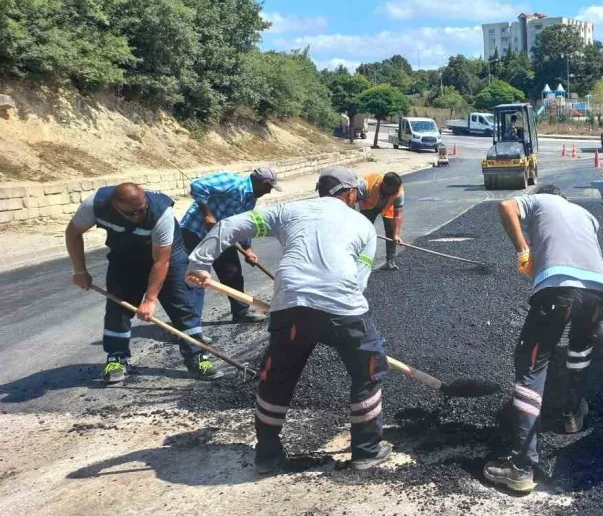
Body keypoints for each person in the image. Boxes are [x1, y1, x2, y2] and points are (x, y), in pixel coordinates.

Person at [186, 167, 392, 474]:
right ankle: (366, 450)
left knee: (278, 376)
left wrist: (198, 263)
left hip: (292, 306)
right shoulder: (362, 225)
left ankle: (268, 455)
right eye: (355, 195)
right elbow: (360, 280)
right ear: (349, 194)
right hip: (344, 309)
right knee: (368, 371)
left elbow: (229, 226)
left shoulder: (287, 211)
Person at [483, 184, 603, 493]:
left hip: (559, 291)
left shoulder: (541, 199)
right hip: (599, 295)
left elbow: (505, 206)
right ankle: (572, 416)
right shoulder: (586, 215)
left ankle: (521, 467)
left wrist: (523, 250)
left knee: (531, 364)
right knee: (579, 353)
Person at [65, 183, 217, 383]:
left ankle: (197, 357)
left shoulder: (160, 212)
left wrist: (150, 299)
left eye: (142, 210)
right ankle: (116, 358)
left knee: (182, 304)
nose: (138, 216)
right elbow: (73, 233)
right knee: (117, 307)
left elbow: (161, 261)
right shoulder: (95, 204)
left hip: (169, 257)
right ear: (115, 206)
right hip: (125, 257)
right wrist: (80, 270)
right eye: (132, 213)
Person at [180, 168, 281, 323]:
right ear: (261, 183)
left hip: (222, 236)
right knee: (195, 277)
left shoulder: (250, 199)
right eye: (269, 188)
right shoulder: (232, 181)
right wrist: (207, 214)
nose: (268, 192)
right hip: (195, 231)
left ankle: (241, 312)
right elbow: (197, 186)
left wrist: (248, 249)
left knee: (232, 273)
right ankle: (190, 325)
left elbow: (241, 224)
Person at [356, 172, 405, 271]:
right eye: (393, 190)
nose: (395, 192)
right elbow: (350, 200)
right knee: (363, 233)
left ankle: (390, 262)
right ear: (385, 185)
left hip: (387, 208)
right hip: (368, 207)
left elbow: (398, 214)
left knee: (391, 232)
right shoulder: (365, 185)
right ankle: (358, 261)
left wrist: (397, 234)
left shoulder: (398, 192)